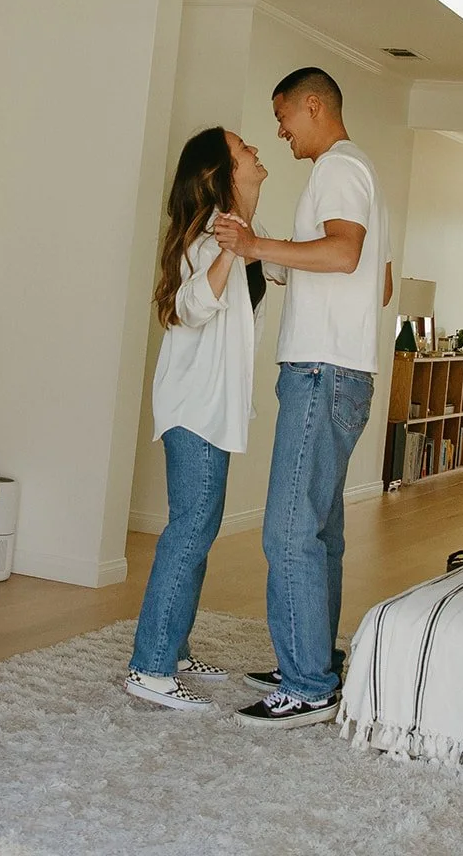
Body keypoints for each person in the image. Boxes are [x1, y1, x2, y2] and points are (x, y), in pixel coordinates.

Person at [213, 67, 392, 730]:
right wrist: (261, 244)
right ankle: (316, 662)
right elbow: (377, 280)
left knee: (288, 529)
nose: (280, 130)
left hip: (321, 371)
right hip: (344, 371)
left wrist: (255, 244)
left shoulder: (338, 169)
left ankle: (308, 684)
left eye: (283, 115)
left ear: (313, 105)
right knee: (319, 529)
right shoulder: (360, 173)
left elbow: (343, 256)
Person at [126, 125, 280, 712]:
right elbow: (188, 308)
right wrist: (231, 249)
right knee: (189, 530)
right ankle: (151, 667)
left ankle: (174, 647)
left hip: (213, 408)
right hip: (194, 408)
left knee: (198, 528)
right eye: (244, 149)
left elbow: (281, 269)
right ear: (221, 171)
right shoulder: (208, 240)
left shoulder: (239, 233)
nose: (256, 151)